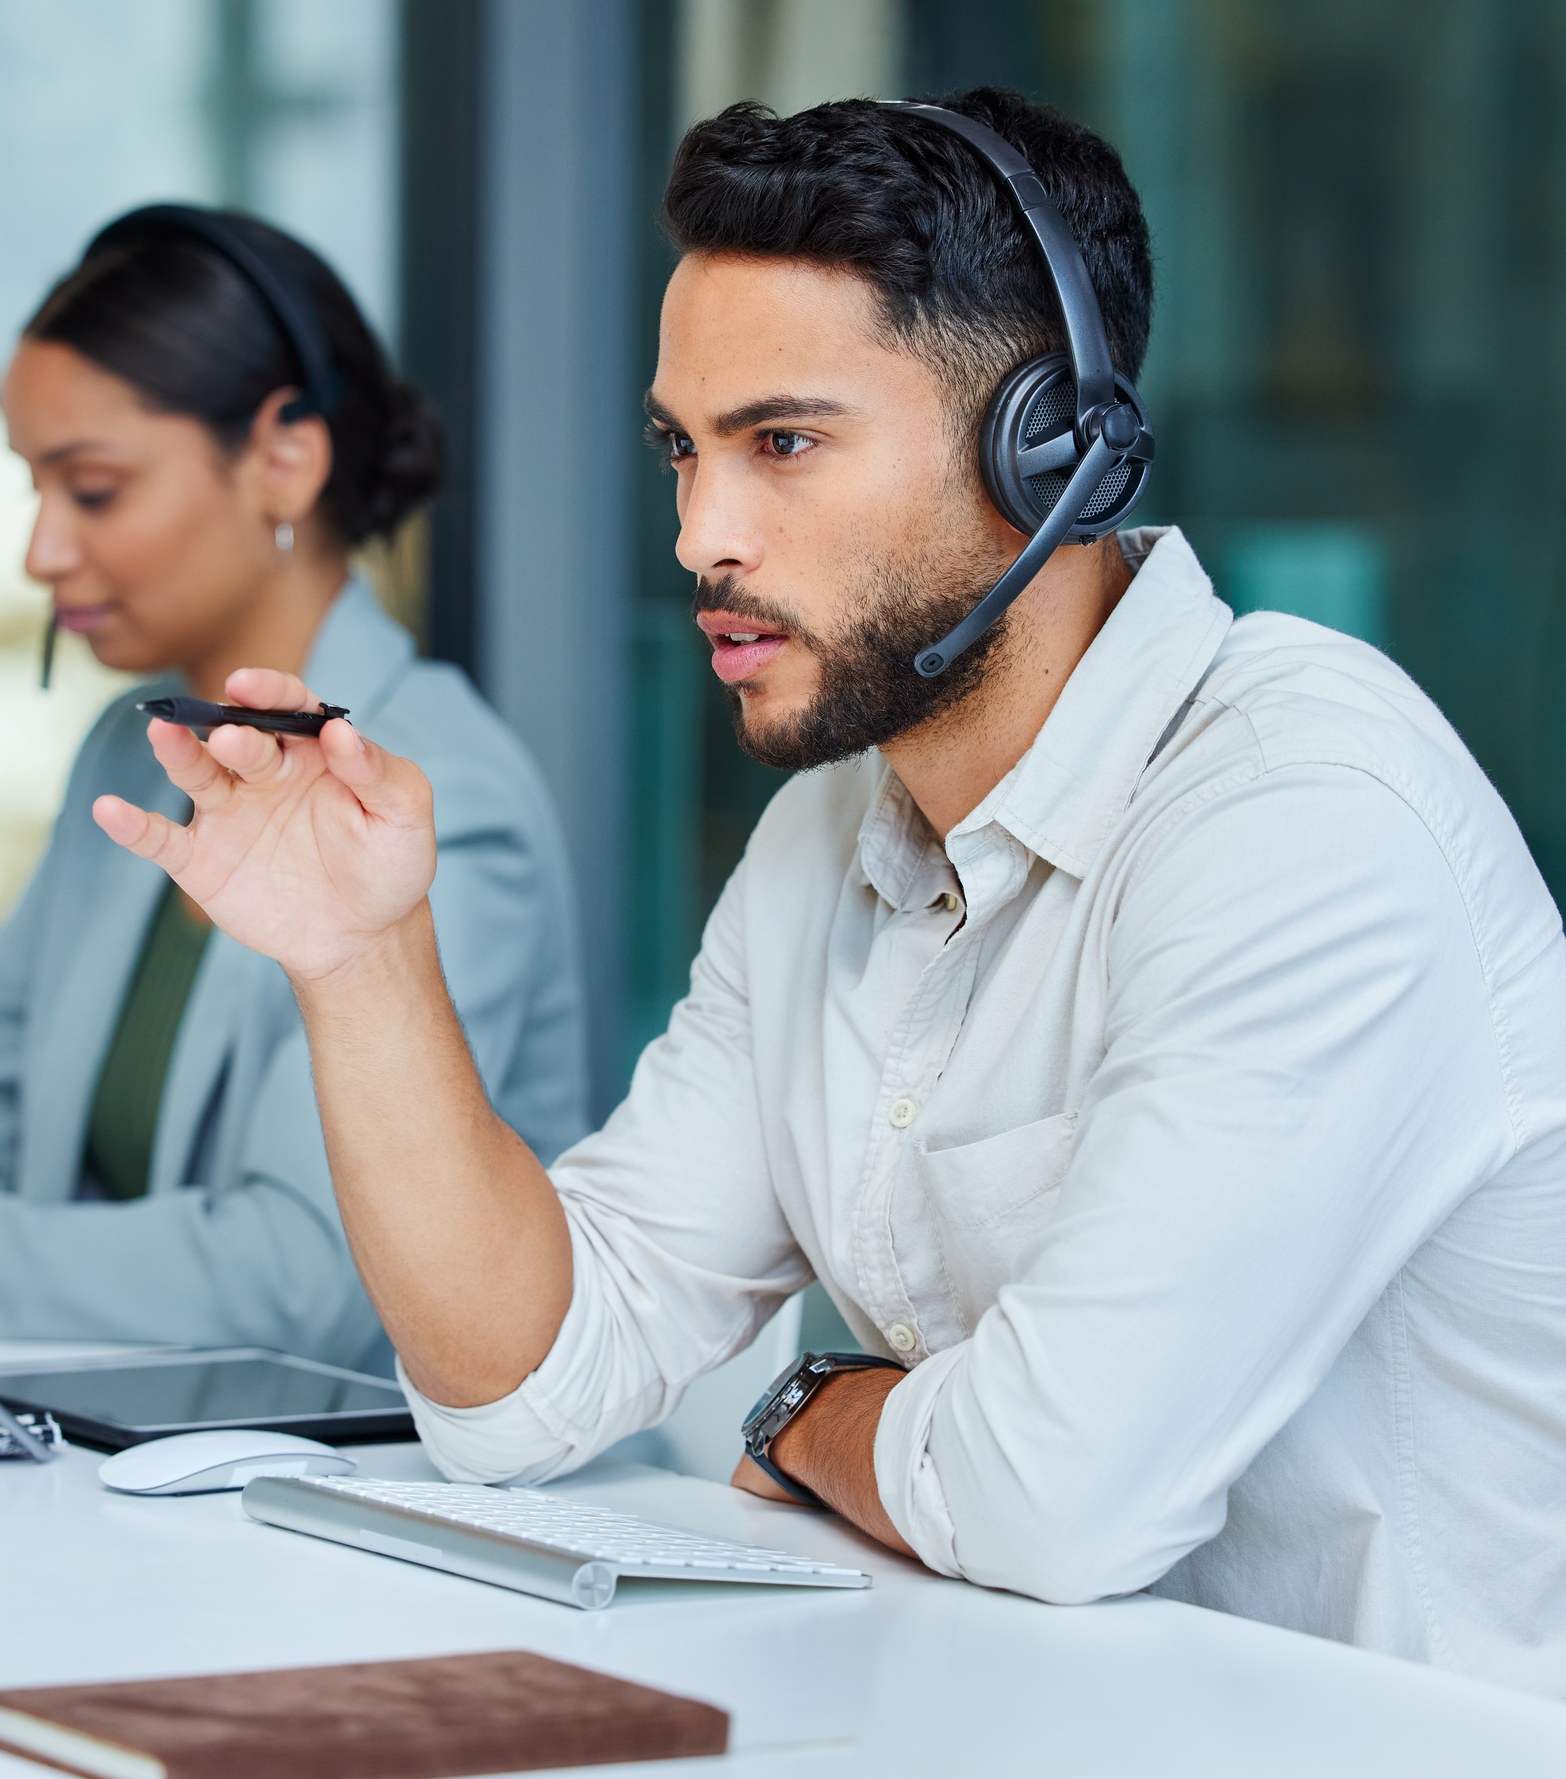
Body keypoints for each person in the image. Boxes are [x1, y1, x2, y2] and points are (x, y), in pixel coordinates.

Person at [86, 94, 1566, 1694]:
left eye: (782, 442)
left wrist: (802, 1411)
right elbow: (520, 1388)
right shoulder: (830, 838)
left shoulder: (1300, 818)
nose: (698, 535)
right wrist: (362, 955)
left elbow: (1057, 1499)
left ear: (1045, 446)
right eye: (682, 449)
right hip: (1060, 1754)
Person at [0, 206, 586, 1368]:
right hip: (127, 1459)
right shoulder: (123, 752)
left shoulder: (432, 796)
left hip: (344, 1489)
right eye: (30, 488)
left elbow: (301, 1281)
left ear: (284, 459)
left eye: (91, 489)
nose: (40, 551)